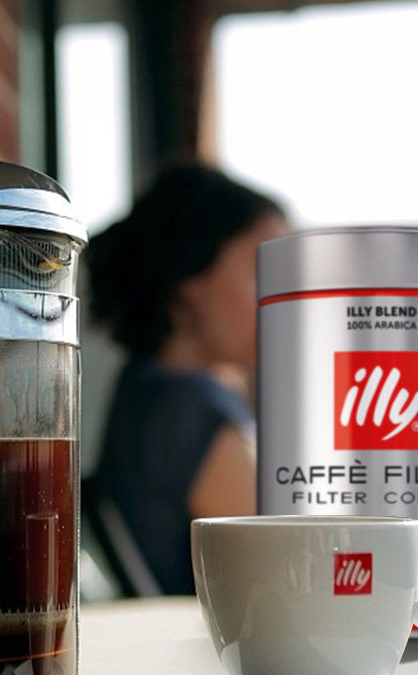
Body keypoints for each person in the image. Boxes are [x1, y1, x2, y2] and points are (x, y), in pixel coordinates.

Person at [85, 162, 289, 594]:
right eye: (262, 271)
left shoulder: (146, 390)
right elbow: (295, 577)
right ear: (190, 279)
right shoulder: (189, 408)